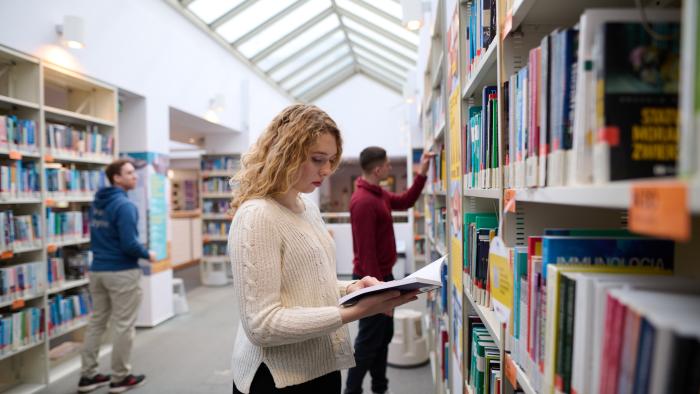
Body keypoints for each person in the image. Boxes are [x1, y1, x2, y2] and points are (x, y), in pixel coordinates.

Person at [229, 104, 419, 394]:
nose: (328, 170)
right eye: (318, 159)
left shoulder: (307, 208)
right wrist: (351, 313)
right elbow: (261, 325)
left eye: (331, 160)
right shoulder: (257, 216)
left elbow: (308, 281)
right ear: (285, 153)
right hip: (278, 377)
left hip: (321, 365)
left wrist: (351, 288)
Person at [344, 146, 434, 394]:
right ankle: (351, 390)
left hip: (384, 278)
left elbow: (405, 201)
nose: (389, 167)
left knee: (383, 338)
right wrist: (380, 294)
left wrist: (423, 173)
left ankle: (379, 387)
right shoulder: (362, 202)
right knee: (368, 342)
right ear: (377, 169)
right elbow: (366, 253)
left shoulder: (378, 194)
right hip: (371, 281)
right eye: (386, 164)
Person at [78, 159, 156, 393]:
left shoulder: (98, 202)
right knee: (123, 325)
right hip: (121, 272)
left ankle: (88, 376)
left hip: (98, 270)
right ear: (117, 178)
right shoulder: (125, 206)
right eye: (130, 173)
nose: (135, 177)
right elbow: (129, 244)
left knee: (96, 323)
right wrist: (147, 253)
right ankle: (120, 378)